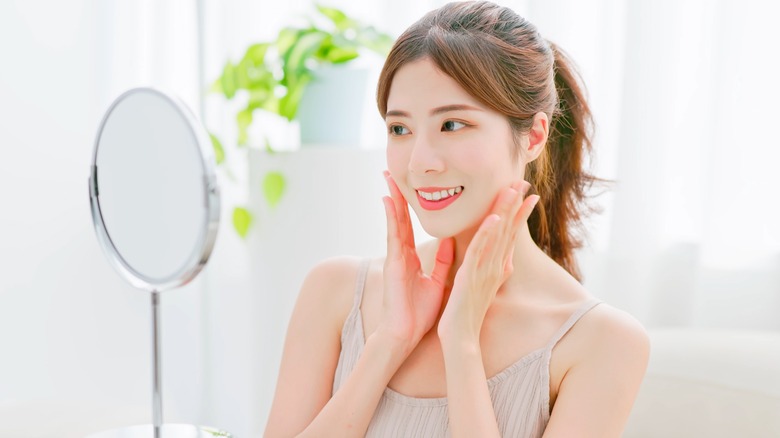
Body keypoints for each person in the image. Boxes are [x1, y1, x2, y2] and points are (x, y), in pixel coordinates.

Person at [264, 1, 649, 437]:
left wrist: (462, 343)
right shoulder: (333, 292)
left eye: (451, 125)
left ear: (535, 136)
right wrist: (388, 343)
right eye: (400, 129)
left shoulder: (601, 343)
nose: (420, 163)